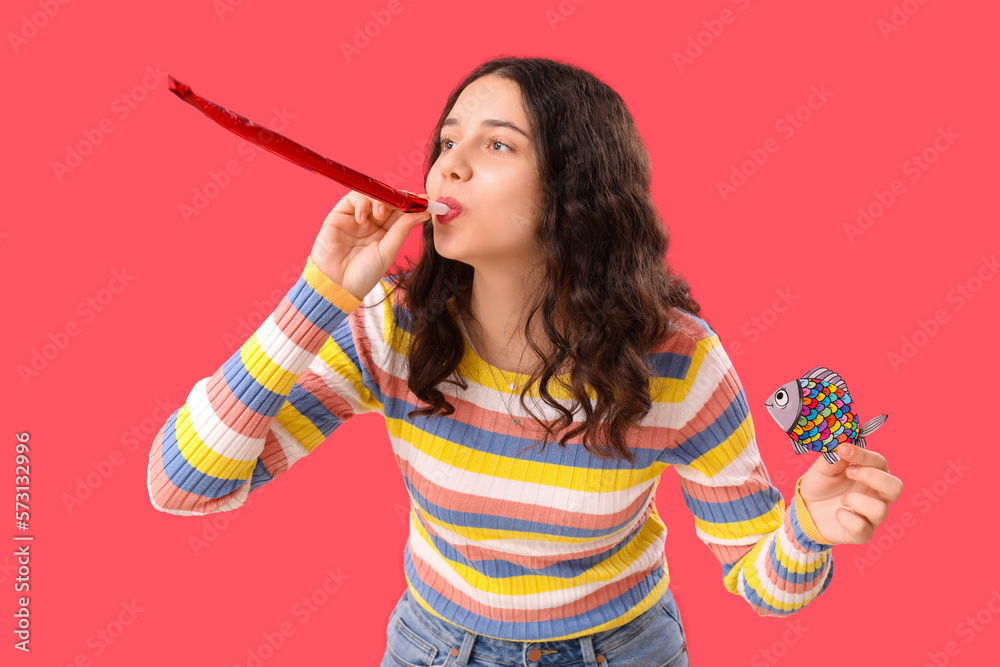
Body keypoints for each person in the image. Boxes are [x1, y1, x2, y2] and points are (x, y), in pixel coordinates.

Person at [146, 56, 904, 666]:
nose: (450, 166)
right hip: (432, 648)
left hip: (621, 651)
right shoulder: (394, 329)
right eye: (447, 142)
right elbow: (183, 486)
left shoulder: (678, 361)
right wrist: (321, 295)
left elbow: (759, 579)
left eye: (495, 144)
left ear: (577, 191)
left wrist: (807, 527)